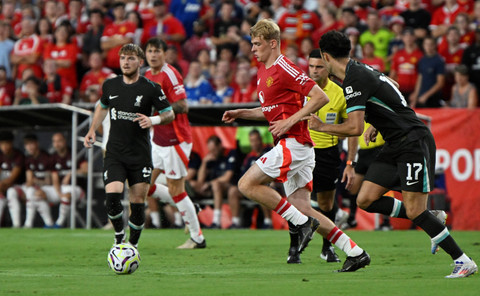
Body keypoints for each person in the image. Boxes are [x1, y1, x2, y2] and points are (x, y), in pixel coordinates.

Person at [314, 30, 477, 278]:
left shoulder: (353, 79)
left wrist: (322, 126)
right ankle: (432, 217)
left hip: (412, 141)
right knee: (365, 199)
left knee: (414, 211)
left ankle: (463, 260)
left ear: (325, 57)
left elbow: (354, 128)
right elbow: (394, 86)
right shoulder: (361, 68)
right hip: (394, 143)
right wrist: (377, 122)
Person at [222, 19, 370, 272]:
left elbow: (320, 97)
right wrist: (242, 113)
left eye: (257, 44)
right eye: (252, 44)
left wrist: (289, 122)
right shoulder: (264, 71)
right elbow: (270, 111)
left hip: (295, 142)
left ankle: (301, 224)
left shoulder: (284, 67)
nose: (253, 49)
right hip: (298, 146)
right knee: (302, 206)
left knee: (246, 184)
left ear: (273, 43)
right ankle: (355, 252)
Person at [84, 43, 174, 248]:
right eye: (123, 58)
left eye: (131, 58)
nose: (126, 62)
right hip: (115, 152)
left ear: (140, 62)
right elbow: (102, 107)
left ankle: (132, 247)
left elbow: (170, 113)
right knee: (113, 196)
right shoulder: (110, 85)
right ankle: (118, 235)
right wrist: (91, 130)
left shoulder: (151, 88)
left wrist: (153, 120)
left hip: (139, 155)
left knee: (137, 203)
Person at [144, 37, 206, 249]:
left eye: (156, 51)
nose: (153, 55)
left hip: (175, 139)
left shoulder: (170, 74)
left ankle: (198, 238)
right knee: (143, 185)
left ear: (164, 53)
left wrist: (158, 109)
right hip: (157, 139)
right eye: (149, 51)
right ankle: (188, 208)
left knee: (176, 189)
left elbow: (182, 105)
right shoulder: (145, 76)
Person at [306, 48, 359, 263]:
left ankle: (327, 247)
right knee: (297, 201)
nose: (314, 71)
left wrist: (350, 162)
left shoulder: (340, 93)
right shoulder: (299, 90)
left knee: (326, 204)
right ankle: (294, 249)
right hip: (301, 150)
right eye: (311, 66)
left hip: (327, 153)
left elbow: (353, 130)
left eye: (319, 66)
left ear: (327, 67)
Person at [50, 132, 87, 228]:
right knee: (37, 194)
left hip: (77, 189)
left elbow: (86, 169)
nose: (57, 144)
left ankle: (58, 224)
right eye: (55, 141)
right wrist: (59, 194)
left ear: (65, 141)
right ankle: (48, 223)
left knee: (66, 195)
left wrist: (71, 173)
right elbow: (55, 179)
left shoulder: (75, 153)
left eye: (59, 141)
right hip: (61, 189)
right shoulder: (53, 157)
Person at [409, 36, 446, 108]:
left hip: (433, 98)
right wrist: (415, 97)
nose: (428, 47)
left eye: (430, 44)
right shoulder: (422, 60)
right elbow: (420, 79)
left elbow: (440, 83)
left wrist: (426, 95)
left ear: (434, 45)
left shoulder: (439, 61)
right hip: (421, 97)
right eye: (426, 44)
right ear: (423, 45)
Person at [0, 131, 24, 227]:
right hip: (2, 187)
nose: (4, 147)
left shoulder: (18, 156)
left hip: (19, 186)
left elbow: (12, 179)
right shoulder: (0, 156)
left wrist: (1, 185)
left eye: (6, 143)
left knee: (11, 192)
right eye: (1, 144)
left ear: (11, 143)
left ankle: (16, 225)